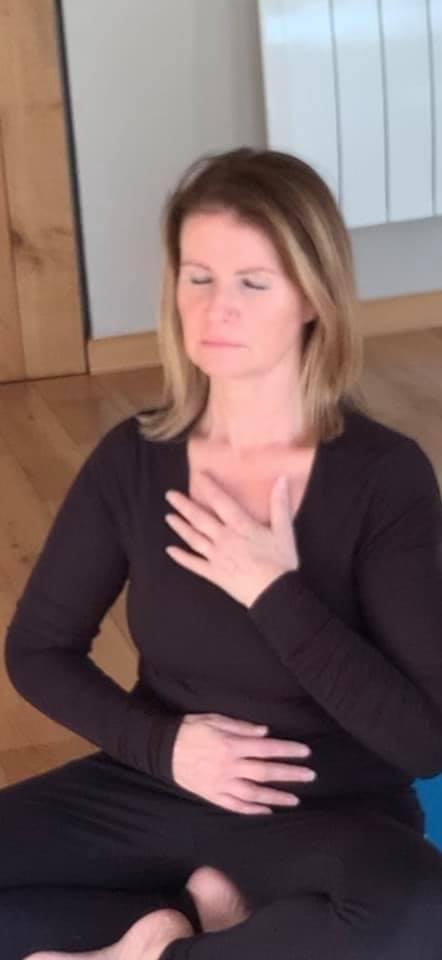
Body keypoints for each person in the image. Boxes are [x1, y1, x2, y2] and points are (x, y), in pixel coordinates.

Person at [2, 146, 442, 960]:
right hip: (160, 785)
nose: (216, 309)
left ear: (313, 297)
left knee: (421, 916)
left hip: (324, 812)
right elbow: (37, 650)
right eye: (197, 277)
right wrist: (165, 747)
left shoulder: (384, 476)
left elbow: (425, 740)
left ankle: (156, 949)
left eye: (252, 283)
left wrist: (271, 590)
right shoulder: (135, 459)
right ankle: (206, 917)